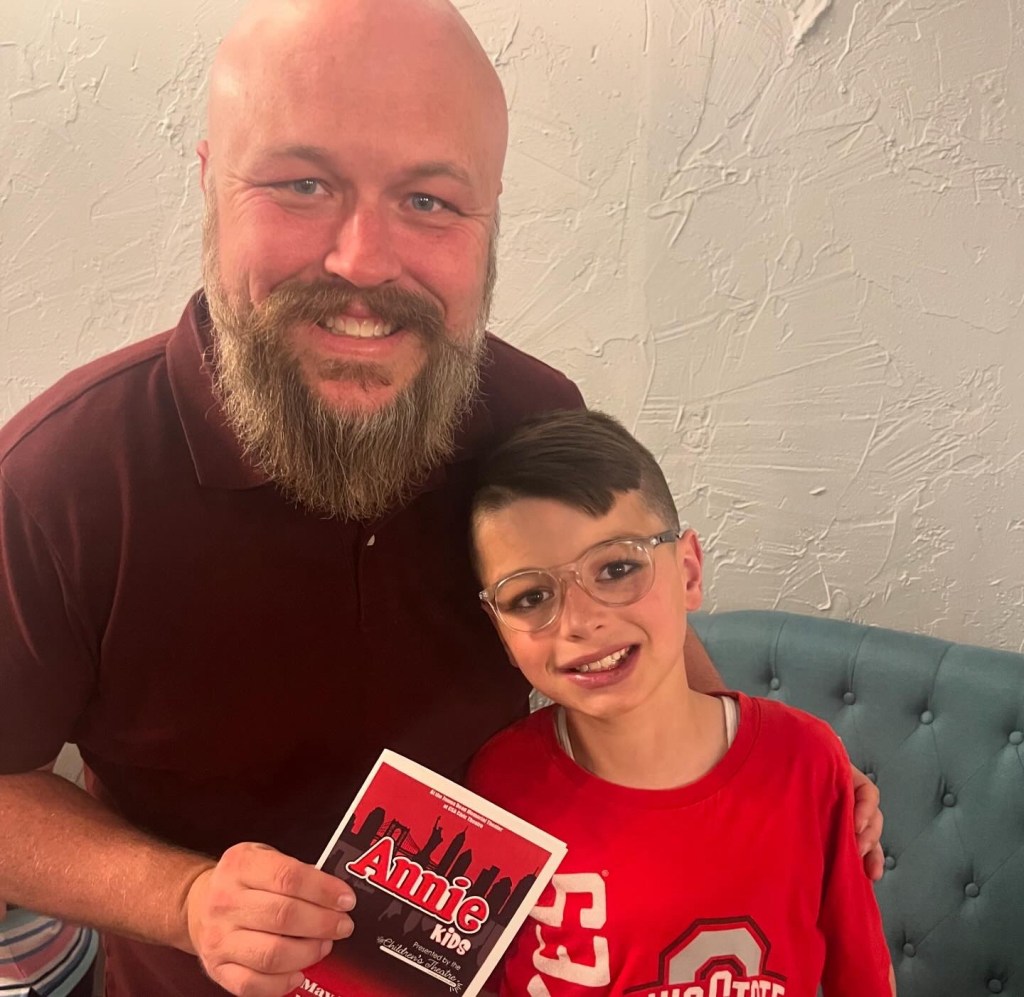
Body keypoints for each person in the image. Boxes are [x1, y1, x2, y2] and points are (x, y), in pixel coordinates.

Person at [0, 2, 880, 996]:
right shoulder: (56, 481)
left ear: (490, 217)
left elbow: (629, 625)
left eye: (429, 200)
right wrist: (187, 898)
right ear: (211, 182)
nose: (363, 260)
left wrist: (778, 771)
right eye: (302, 184)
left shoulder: (529, 415)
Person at [466, 409, 895, 996]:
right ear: (499, 629)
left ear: (689, 571)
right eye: (530, 596)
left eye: (616, 568)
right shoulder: (498, 782)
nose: (580, 621)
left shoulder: (806, 759)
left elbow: (863, 974)